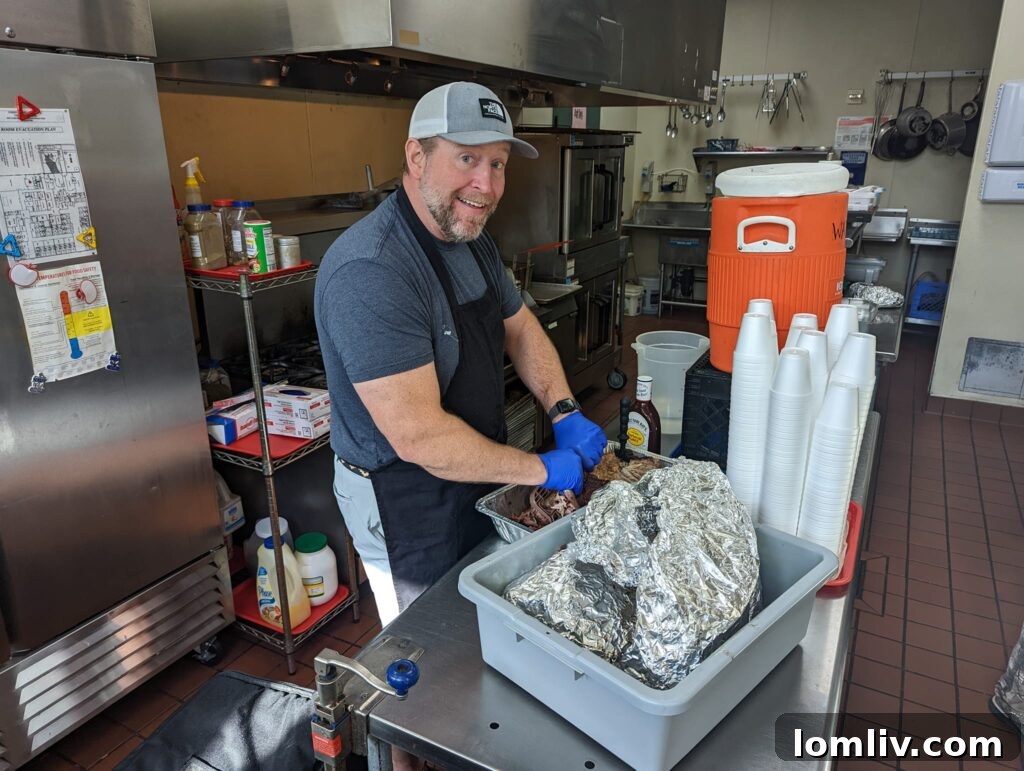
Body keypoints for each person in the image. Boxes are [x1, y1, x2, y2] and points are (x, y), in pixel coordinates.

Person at [314, 82, 607, 628]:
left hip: (472, 467)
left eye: (497, 164)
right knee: (429, 643)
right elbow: (420, 436)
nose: (486, 185)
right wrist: (539, 468)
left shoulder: (471, 240)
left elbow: (519, 329)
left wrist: (564, 411)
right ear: (415, 155)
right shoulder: (373, 271)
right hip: (403, 496)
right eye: (467, 158)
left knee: (478, 617)